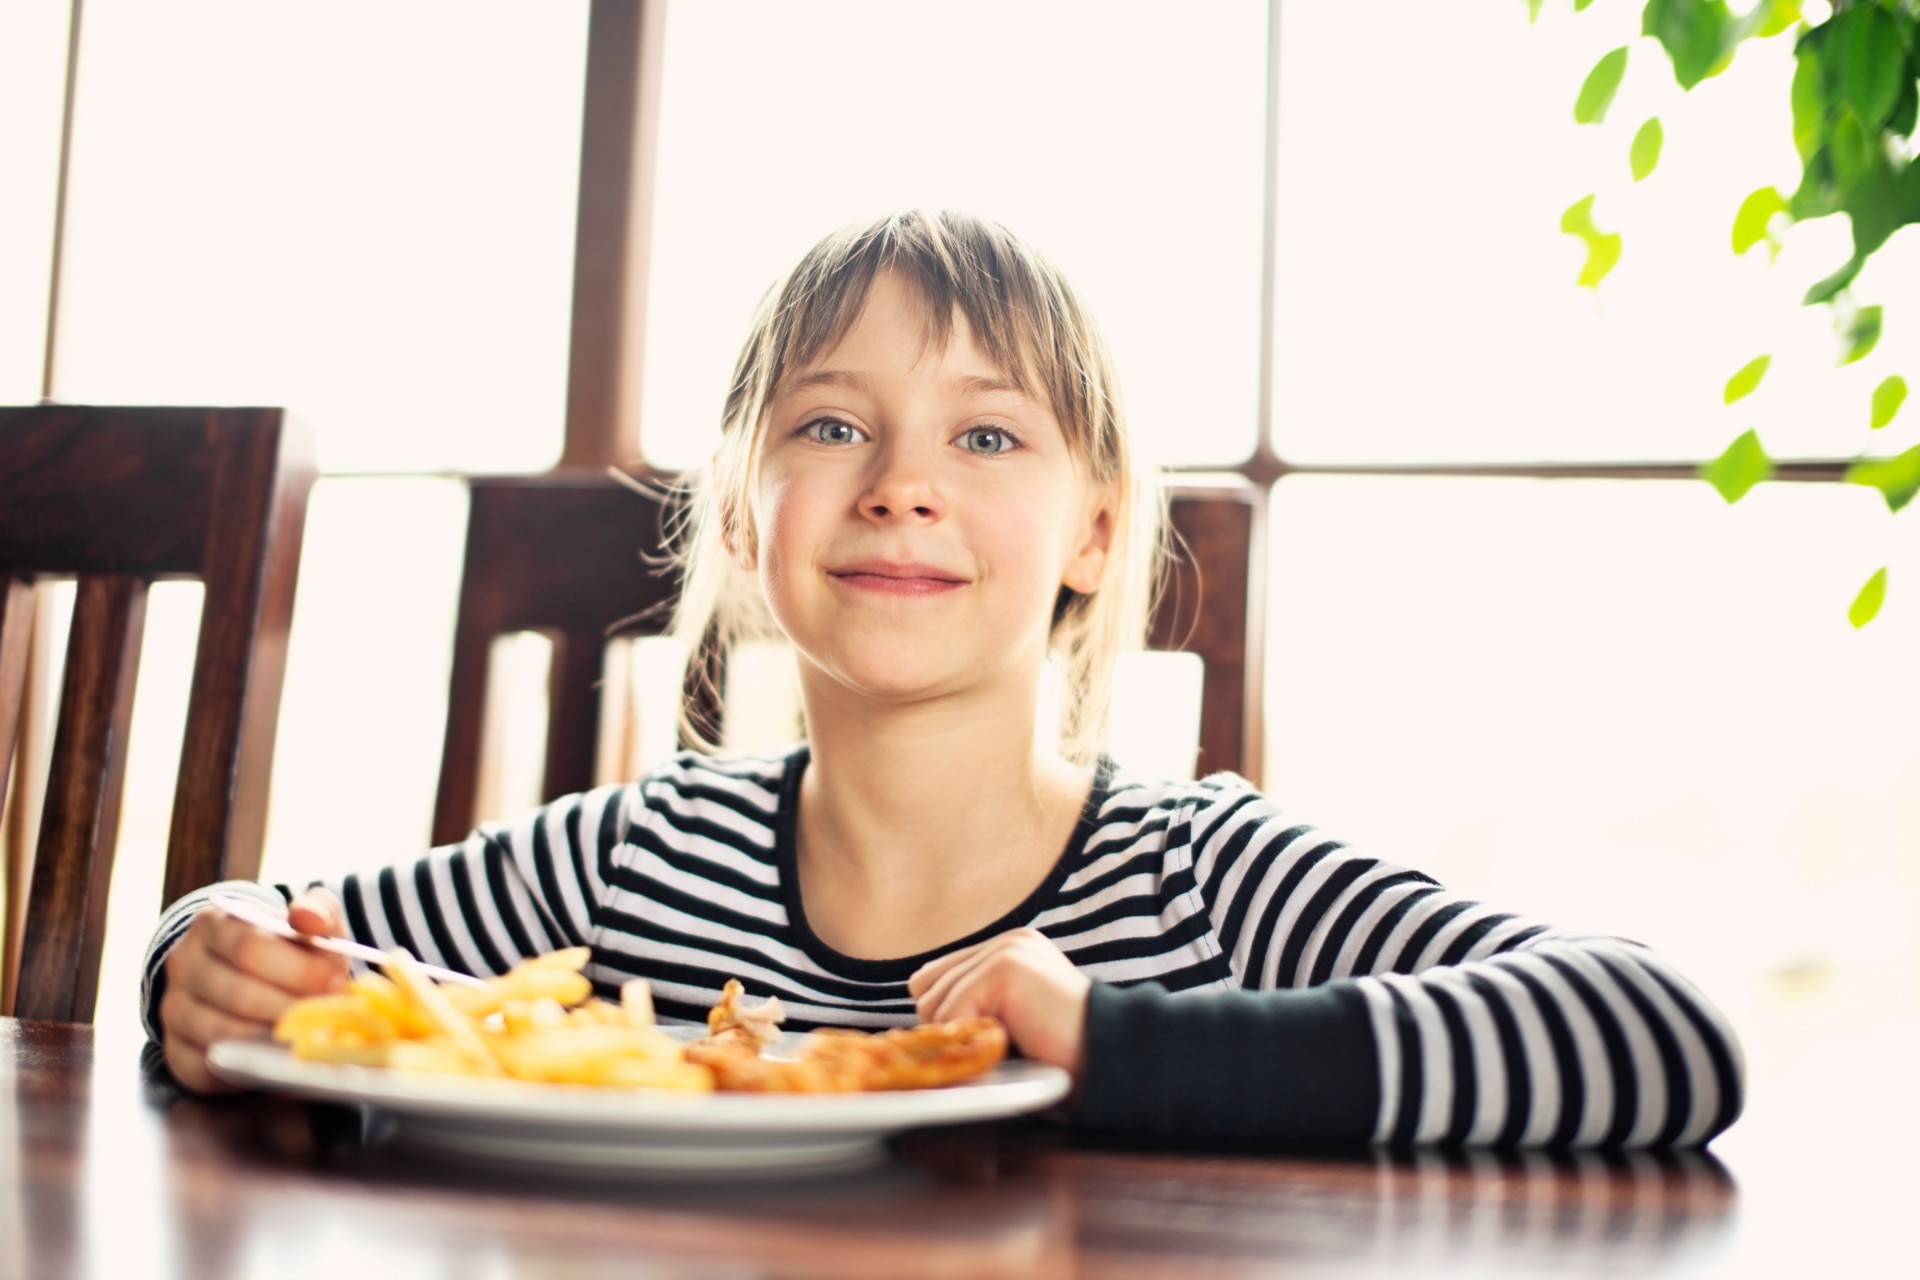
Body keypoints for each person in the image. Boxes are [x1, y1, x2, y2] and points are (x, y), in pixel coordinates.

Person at [144, 209, 1744, 1147]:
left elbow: (1667, 1036)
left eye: (986, 436)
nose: (901, 482)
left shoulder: (1205, 877)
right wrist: (199, 968)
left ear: (1096, 534)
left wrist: (1121, 1044)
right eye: (832, 426)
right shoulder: (637, 859)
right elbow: (262, 925)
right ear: (740, 513)